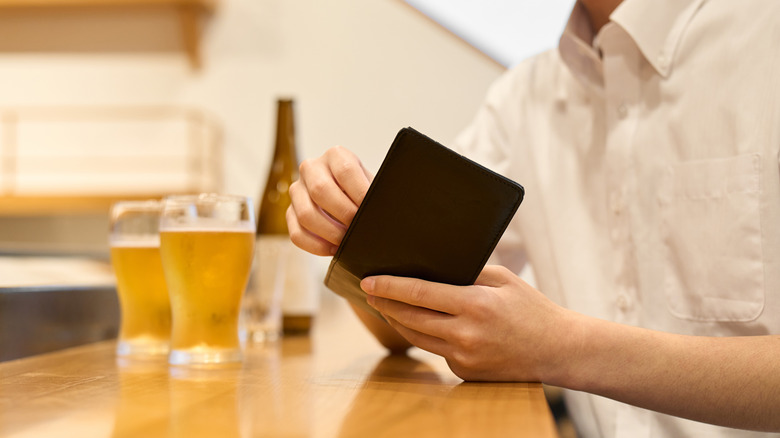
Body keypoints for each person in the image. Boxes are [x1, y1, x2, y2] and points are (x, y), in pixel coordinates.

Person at [286, 0, 780, 436]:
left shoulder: (766, 40)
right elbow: (400, 322)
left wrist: (561, 347)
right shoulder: (524, 99)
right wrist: (355, 232)